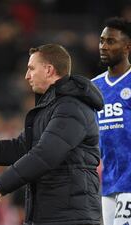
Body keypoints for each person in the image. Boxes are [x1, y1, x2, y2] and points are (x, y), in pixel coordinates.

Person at [0, 44, 104, 225]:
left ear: (49, 70)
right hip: (51, 214)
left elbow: (46, 154)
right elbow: (20, 148)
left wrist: (2, 184)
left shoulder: (71, 107)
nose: (27, 76)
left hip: (70, 217)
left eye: (31, 69)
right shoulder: (50, 107)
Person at [91, 17, 131, 225]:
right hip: (107, 183)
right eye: (101, 41)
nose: (103, 46)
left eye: (110, 41)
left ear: (127, 47)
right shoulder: (93, 87)